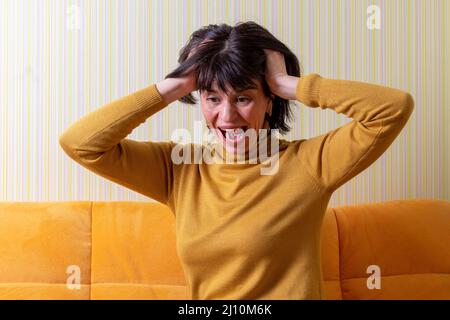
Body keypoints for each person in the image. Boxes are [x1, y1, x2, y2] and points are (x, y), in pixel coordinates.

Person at [59, 21, 414, 299]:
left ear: (270, 100)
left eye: (243, 98)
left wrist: (287, 82)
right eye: (213, 99)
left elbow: (392, 109)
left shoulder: (309, 164)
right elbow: (81, 144)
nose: (227, 116)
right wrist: (174, 86)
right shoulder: (178, 168)